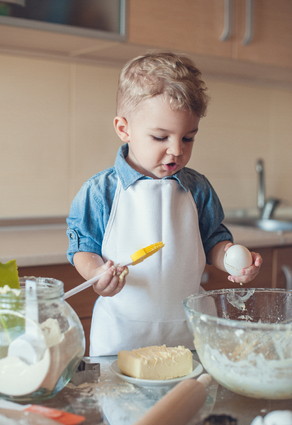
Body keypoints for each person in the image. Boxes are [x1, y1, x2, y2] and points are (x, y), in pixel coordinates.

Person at [66, 51, 262, 356]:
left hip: (189, 333)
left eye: (188, 138)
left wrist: (235, 262)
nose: (176, 151)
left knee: (191, 399)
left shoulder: (197, 188)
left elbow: (214, 241)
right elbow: (83, 248)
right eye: (160, 137)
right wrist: (97, 275)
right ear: (124, 129)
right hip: (122, 336)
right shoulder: (100, 191)